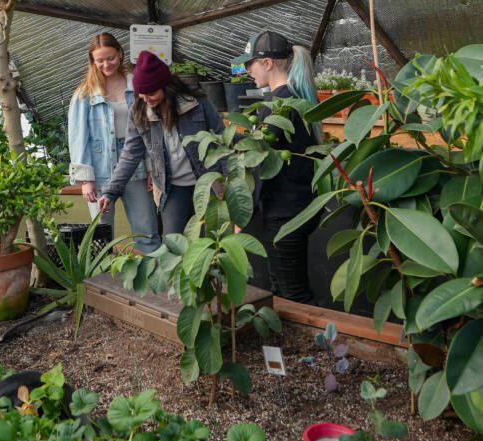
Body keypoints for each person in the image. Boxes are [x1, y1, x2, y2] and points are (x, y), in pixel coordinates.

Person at [232, 30, 321, 303]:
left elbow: (260, 161)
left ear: (267, 63)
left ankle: (323, 344)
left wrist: (241, 211)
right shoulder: (291, 99)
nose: (248, 71)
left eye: (251, 64)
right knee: (280, 286)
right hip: (293, 207)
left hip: (286, 212)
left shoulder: (280, 107)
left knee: (293, 291)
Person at [98, 51, 226, 236]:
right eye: (141, 94)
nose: (146, 99)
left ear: (167, 87)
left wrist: (228, 179)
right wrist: (110, 192)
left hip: (207, 183)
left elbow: (221, 139)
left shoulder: (197, 104)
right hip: (171, 187)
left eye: (151, 93)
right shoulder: (139, 112)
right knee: (173, 243)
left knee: (211, 241)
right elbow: (130, 155)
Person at [68, 33, 160, 253]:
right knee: (101, 235)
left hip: (135, 165)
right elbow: (78, 137)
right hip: (100, 170)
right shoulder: (85, 94)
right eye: (99, 60)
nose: (106, 64)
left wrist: (151, 167)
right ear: (92, 61)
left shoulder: (136, 87)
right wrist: (85, 179)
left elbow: (149, 129)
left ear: (120, 53)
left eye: (110, 58)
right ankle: (103, 284)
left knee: (147, 229)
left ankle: (156, 280)